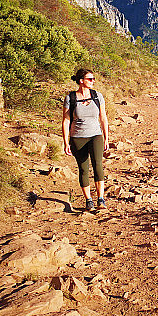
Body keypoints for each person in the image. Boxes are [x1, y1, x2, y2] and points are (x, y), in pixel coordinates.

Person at [62, 68, 109, 210]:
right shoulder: (70, 98)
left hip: (95, 135)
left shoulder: (97, 96)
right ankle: (89, 201)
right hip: (77, 137)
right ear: (81, 81)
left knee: (98, 165)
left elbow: (103, 118)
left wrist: (106, 138)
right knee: (83, 169)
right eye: (90, 79)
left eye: (93, 79)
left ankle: (101, 199)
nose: (93, 81)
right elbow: (66, 121)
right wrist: (66, 142)